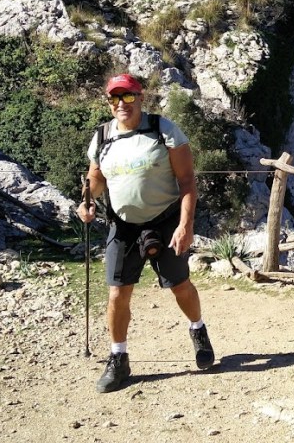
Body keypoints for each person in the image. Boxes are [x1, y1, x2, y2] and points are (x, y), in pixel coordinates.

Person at [78, 73, 215, 393]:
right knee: (116, 292)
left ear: (141, 98)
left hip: (165, 221)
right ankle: (118, 358)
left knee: (180, 286)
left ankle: (198, 330)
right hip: (122, 226)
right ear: (109, 103)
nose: (121, 103)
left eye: (128, 96)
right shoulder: (101, 137)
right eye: (115, 98)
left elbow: (187, 182)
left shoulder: (162, 130)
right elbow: (95, 180)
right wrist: (87, 203)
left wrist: (185, 226)